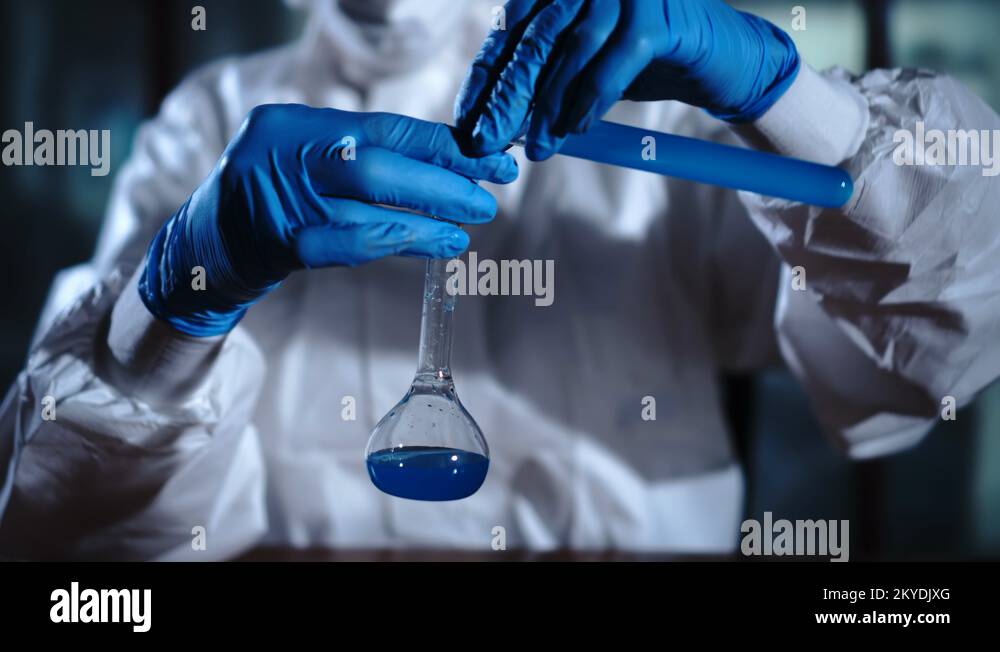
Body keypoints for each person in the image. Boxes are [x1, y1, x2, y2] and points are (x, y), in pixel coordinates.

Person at [1, 0, 998, 560]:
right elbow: (68, 537)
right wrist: (184, 288)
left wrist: (785, 98)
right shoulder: (215, 117)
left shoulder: (647, 98)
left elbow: (943, 342)